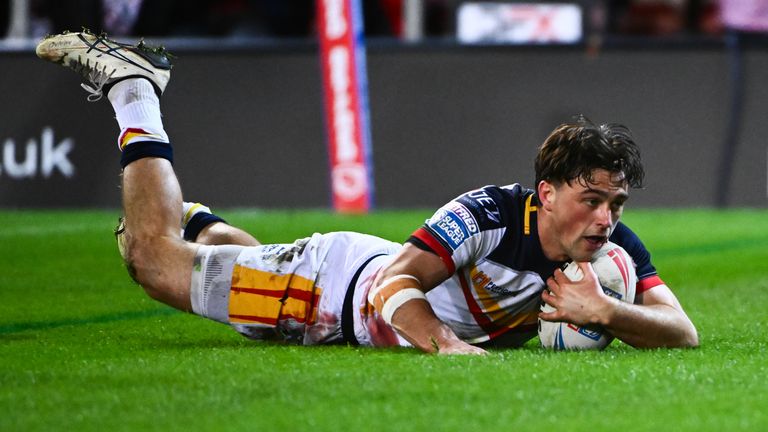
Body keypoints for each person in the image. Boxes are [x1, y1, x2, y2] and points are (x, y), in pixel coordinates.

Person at [36, 31, 698, 355]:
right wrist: (447, 347)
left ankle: (201, 220)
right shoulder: (490, 215)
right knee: (151, 260)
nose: (607, 218)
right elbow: (392, 287)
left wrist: (609, 313)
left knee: (229, 259)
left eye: (618, 204)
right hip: (329, 292)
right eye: (593, 198)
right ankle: (135, 89)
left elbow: (682, 332)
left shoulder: (612, 246)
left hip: (342, 298)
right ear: (547, 193)